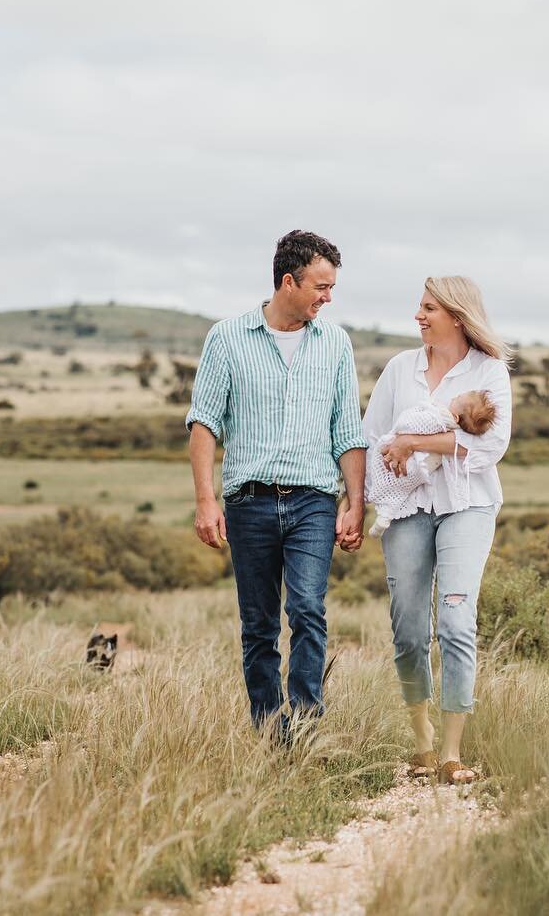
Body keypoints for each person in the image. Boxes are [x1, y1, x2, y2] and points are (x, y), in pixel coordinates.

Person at [185, 229, 368, 741]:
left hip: (313, 499)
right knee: (259, 625)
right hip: (249, 502)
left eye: (331, 288)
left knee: (308, 609)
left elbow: (347, 431)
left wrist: (356, 505)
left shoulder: (335, 342)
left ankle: (308, 729)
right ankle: (269, 732)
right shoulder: (227, 337)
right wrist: (205, 501)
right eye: (321, 286)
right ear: (289, 281)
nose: (328, 298)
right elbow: (205, 425)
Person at [362, 276, 513, 784]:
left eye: (429, 308)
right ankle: (421, 740)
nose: (419, 316)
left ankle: (452, 754)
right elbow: (370, 438)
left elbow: (490, 448)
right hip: (407, 507)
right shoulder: (400, 368)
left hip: (467, 505)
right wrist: (355, 502)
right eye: (419, 307)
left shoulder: (489, 372)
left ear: (456, 314)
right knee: (407, 627)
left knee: (455, 619)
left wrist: (412, 442)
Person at [364, 389, 498, 538]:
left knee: (385, 473)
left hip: (413, 464)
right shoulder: (454, 431)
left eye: (458, 398)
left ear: (455, 416)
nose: (454, 396)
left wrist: (407, 431)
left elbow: (410, 424)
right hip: (423, 470)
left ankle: (381, 510)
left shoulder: (441, 417)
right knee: (398, 492)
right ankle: (384, 515)